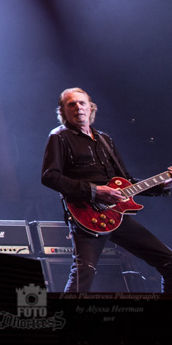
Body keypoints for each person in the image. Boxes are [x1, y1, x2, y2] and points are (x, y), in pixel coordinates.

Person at [41, 87, 172, 292]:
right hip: (86, 216)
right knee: (82, 275)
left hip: (116, 215)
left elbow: (127, 181)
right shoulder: (59, 137)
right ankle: (62, 322)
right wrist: (95, 191)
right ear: (62, 111)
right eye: (71, 104)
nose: (78, 108)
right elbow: (50, 176)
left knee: (169, 261)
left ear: (91, 108)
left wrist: (165, 184)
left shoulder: (105, 139)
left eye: (82, 103)